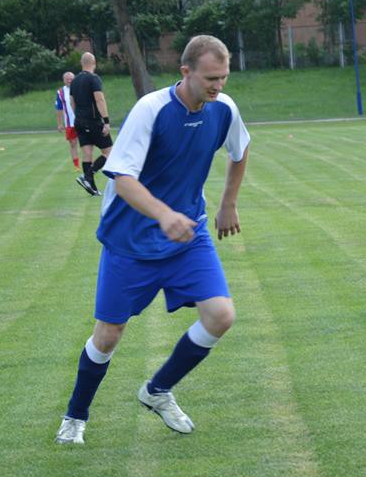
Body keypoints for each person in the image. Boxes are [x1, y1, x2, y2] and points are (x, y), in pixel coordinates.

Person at [55, 35, 250, 445]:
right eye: (211, 78)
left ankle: (157, 390)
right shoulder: (152, 109)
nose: (218, 86)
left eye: (224, 77)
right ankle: (75, 417)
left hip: (187, 233)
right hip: (131, 238)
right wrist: (163, 215)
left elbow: (240, 150)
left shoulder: (224, 109)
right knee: (108, 335)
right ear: (186, 72)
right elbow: (123, 179)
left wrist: (228, 203)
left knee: (221, 316)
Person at [69, 52, 113, 195]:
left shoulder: (74, 81)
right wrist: (106, 121)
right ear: (94, 63)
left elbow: (72, 102)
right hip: (93, 121)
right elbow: (99, 100)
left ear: (82, 64)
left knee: (87, 154)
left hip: (79, 121)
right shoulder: (94, 79)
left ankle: (91, 187)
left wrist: (79, 117)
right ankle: (88, 175)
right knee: (109, 152)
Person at [55, 71, 80, 171]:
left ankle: (88, 165)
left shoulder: (80, 88)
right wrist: (60, 124)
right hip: (70, 123)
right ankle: (76, 166)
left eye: (71, 78)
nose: (69, 80)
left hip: (82, 120)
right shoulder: (60, 92)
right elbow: (59, 108)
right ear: (63, 80)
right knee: (73, 143)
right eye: (67, 79)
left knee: (86, 143)